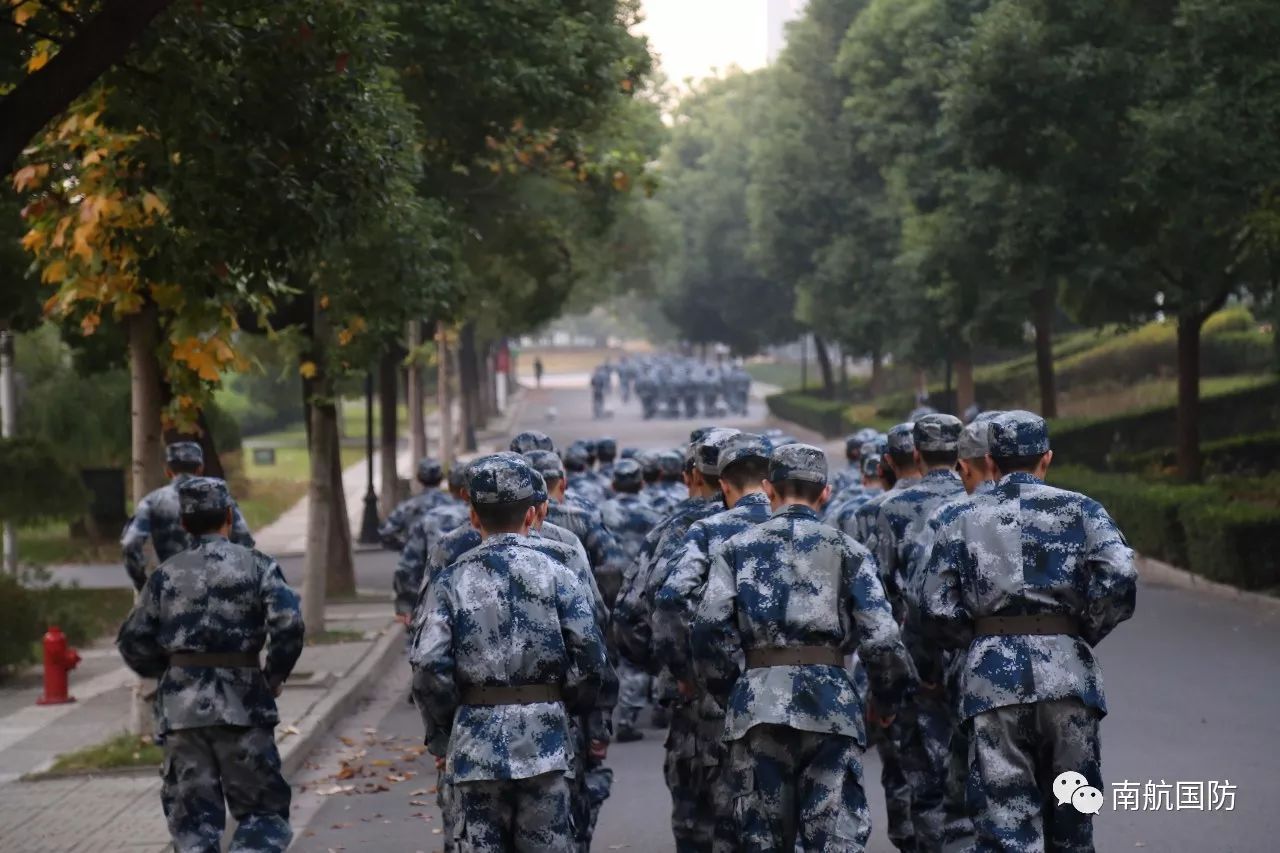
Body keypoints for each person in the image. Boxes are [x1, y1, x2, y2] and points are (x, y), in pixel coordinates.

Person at [920, 411, 1137, 853]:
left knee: (1004, 825)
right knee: (1073, 823)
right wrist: (1081, 631)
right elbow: (1121, 574)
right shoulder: (1082, 510)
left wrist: (981, 639)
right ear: (1047, 459)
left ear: (991, 462)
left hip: (992, 683)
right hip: (1068, 679)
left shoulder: (957, 517)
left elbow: (934, 603)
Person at [692, 444, 918, 851]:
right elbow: (883, 638)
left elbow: (708, 628)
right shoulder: (849, 551)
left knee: (760, 837)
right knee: (832, 839)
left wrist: (733, 691)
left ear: (768, 489)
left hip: (758, 703)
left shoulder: (736, 549)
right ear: (825, 492)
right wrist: (886, 702)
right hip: (830, 703)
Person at [411, 454, 613, 853]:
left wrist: (445, 730)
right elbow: (591, 654)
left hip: (474, 743)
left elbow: (427, 663)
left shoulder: (452, 580)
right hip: (547, 742)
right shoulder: (560, 573)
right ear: (534, 514)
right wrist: (566, 704)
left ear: (473, 516)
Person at [117, 477, 304, 853]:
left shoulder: (165, 575)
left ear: (184, 524)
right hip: (244, 704)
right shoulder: (257, 566)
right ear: (229, 517)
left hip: (183, 715)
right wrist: (274, 676)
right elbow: (289, 623)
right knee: (261, 817)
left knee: (194, 829)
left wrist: (170, 676)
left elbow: (133, 640)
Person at [654, 432, 774, 852]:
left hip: (718, 699)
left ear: (723, 485)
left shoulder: (706, 532)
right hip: (800, 693)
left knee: (722, 819)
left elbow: (668, 602)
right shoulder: (811, 530)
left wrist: (688, 673)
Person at [870, 414, 969, 853]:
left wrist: (895, 676)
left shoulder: (892, 508)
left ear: (914, 455)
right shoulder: (977, 498)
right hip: (979, 658)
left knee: (928, 782)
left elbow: (885, 595)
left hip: (919, 657)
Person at [121, 441, 254, 592]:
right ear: (200, 468)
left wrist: (142, 584)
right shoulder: (220, 498)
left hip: (171, 594)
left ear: (168, 471)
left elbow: (130, 543)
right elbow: (244, 540)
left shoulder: (152, 501)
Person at [600, 460, 663, 742]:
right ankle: (629, 717)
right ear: (642, 483)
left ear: (613, 485)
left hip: (605, 581)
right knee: (637, 652)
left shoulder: (600, 511)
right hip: (639, 584)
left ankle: (602, 716)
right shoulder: (654, 513)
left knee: (603, 651)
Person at [394, 464, 472, 622]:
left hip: (434, 608)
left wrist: (405, 606)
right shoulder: (491, 519)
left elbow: (407, 568)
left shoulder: (431, 519)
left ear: (450, 486)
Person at [378, 457, 454, 551]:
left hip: (417, 563)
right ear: (441, 477)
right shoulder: (454, 505)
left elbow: (385, 532)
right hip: (447, 561)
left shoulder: (408, 506)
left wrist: (407, 547)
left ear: (419, 477)